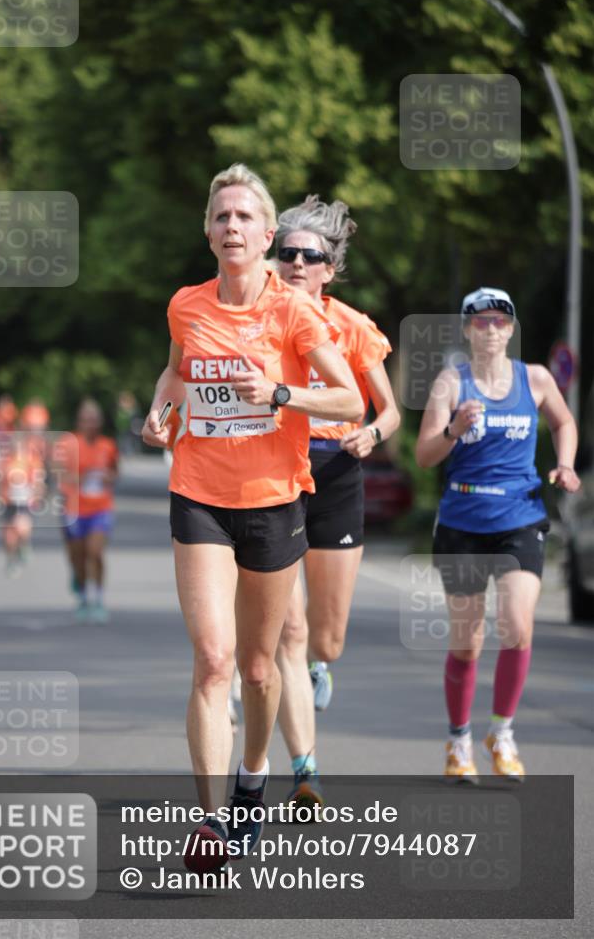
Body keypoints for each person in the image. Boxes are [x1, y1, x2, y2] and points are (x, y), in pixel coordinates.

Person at [142, 163, 363, 870]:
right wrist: (159, 410)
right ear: (207, 232)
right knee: (212, 662)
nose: (232, 226)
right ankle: (210, 824)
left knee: (260, 669)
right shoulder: (186, 305)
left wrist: (277, 393)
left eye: (244, 218)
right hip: (199, 492)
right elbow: (176, 372)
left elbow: (348, 400)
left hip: (272, 501)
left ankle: (255, 775)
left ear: (266, 235)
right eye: (221, 216)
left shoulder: (293, 313)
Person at [415, 288, 581, 781]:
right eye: (480, 322)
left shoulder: (535, 378)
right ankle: (459, 739)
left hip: (520, 517)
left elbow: (564, 421)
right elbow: (425, 455)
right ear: (467, 330)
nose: (490, 329)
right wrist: (452, 430)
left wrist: (566, 466)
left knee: (517, 625)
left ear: (510, 329)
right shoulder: (451, 382)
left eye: (498, 322)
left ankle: (502, 732)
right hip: (463, 520)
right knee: (467, 643)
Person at [274, 196, 400, 808]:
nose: (296, 263)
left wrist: (372, 434)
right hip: (278, 473)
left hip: (339, 471)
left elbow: (391, 410)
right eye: (287, 253)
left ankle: (320, 667)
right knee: (289, 629)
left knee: (327, 637)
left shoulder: (351, 326)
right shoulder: (259, 319)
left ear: (329, 267)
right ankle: (305, 767)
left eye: (309, 256)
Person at [55, 399, 119, 623]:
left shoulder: (108, 446)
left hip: (100, 508)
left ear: (100, 422)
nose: (90, 424)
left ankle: (98, 598)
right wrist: (83, 476)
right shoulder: (67, 443)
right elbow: (59, 475)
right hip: (73, 509)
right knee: (78, 556)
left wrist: (107, 477)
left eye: (94, 419)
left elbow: (114, 473)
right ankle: (82, 595)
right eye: (86, 420)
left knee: (95, 552)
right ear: (79, 422)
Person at [0, 434, 46, 577]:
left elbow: (39, 482)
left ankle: (24, 545)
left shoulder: (32, 461)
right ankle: (11, 561)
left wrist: (37, 496)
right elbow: (0, 482)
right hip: (9, 502)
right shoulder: (5, 462)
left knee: (22, 528)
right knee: (9, 538)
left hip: (25, 501)